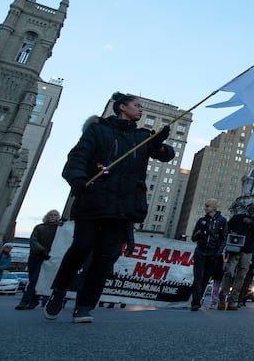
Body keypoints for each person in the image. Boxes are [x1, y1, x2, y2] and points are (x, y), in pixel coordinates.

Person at [44, 92, 174, 323]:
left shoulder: (141, 137)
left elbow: (164, 155)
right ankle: (60, 289)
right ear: (122, 107)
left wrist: (160, 144)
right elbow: (77, 158)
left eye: (142, 106)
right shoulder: (98, 130)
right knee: (81, 248)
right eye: (137, 105)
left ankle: (84, 306)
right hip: (94, 200)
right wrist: (78, 181)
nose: (140, 109)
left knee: (104, 258)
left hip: (122, 207)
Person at [218, 201, 254, 310]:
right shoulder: (237, 218)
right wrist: (230, 238)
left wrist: (250, 223)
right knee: (229, 272)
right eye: (250, 207)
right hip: (234, 250)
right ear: (246, 208)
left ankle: (233, 300)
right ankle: (222, 298)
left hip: (247, 252)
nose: (252, 209)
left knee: (241, 275)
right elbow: (226, 229)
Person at [16, 210, 60, 310]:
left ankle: (24, 301)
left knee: (35, 280)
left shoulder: (59, 229)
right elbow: (33, 240)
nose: (53, 217)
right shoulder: (40, 227)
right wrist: (41, 250)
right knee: (33, 279)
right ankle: (34, 300)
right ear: (47, 216)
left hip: (47, 258)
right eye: (51, 215)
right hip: (36, 256)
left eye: (55, 215)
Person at [190, 198, 227, 311]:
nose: (205, 208)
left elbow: (224, 238)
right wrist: (200, 233)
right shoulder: (201, 221)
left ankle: (199, 298)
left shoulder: (222, 221)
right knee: (198, 276)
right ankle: (195, 302)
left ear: (213, 207)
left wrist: (219, 252)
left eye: (207, 206)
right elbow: (193, 238)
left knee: (206, 278)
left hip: (213, 253)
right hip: (200, 251)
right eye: (205, 206)